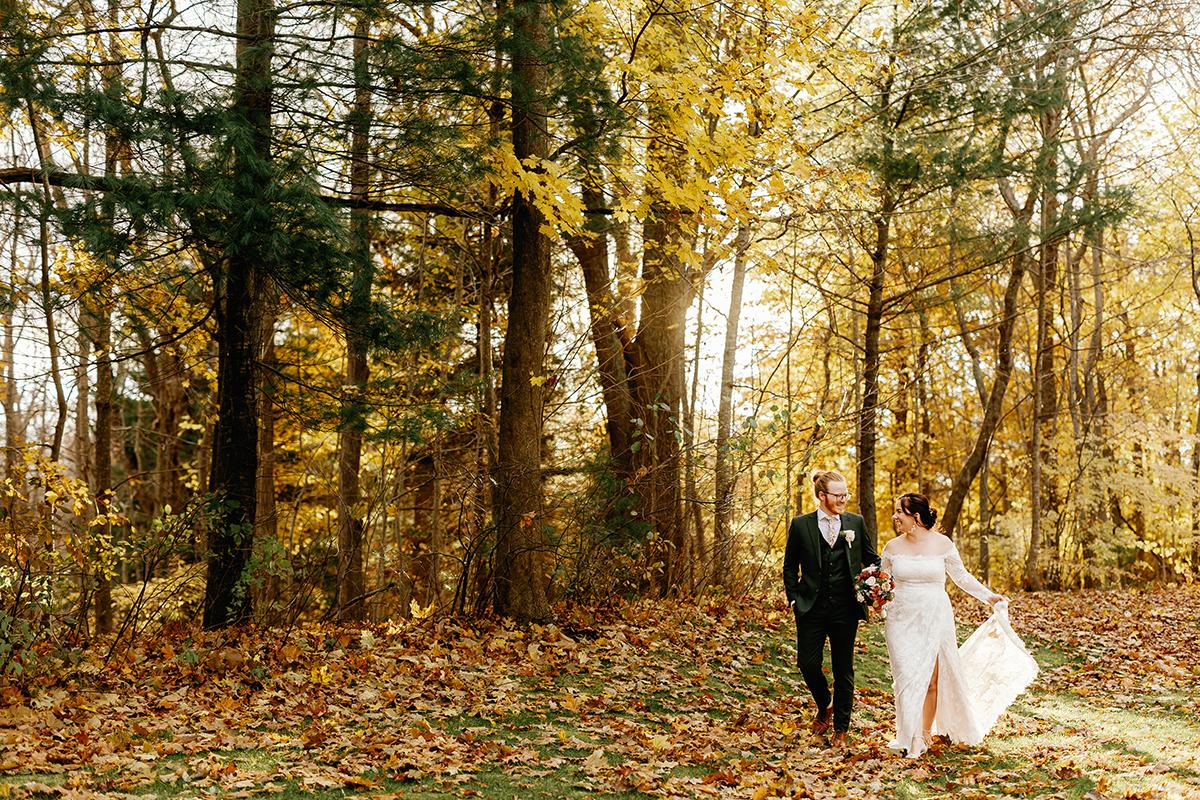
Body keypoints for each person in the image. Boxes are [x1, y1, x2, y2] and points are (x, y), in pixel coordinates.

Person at [881, 492, 1037, 758]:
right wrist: (875, 599)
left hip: (935, 615)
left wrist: (989, 596)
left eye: (899, 512)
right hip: (900, 618)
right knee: (906, 678)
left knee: (931, 678)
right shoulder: (892, 548)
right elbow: (883, 584)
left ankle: (922, 735)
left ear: (915, 517)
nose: (895, 516)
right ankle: (906, 734)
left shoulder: (942, 544)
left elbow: (961, 577)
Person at [782, 469, 879, 746]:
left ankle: (841, 727)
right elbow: (790, 566)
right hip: (810, 607)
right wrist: (792, 598)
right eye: (839, 495)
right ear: (822, 496)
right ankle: (825, 702)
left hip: (845, 608)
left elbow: (872, 559)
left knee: (843, 668)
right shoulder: (801, 525)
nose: (844, 499)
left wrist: (877, 582)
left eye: (846, 494)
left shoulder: (855, 523)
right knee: (807, 663)